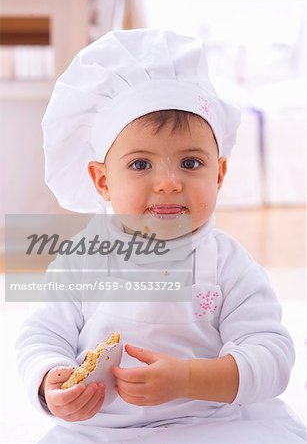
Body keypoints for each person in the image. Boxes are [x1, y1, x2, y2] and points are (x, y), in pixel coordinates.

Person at [16, 29, 306, 444]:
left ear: (219, 174)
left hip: (214, 422)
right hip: (102, 430)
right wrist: (49, 379)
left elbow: (272, 354)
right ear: (102, 181)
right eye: (140, 165)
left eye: (190, 162)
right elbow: (42, 335)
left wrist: (191, 378)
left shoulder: (228, 264)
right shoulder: (82, 258)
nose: (168, 183)